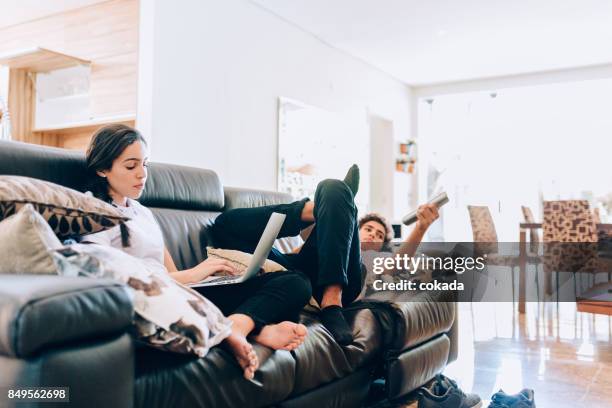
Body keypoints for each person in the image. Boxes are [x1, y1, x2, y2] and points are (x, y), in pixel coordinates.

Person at [82, 124, 312, 380]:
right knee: (281, 300)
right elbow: (113, 281)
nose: (142, 174)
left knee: (296, 282)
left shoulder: (142, 211)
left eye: (145, 164)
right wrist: (195, 273)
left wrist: (202, 278)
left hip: (181, 289)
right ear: (103, 169)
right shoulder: (91, 212)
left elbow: (170, 271)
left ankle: (241, 326)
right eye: (131, 166)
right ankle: (250, 328)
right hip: (154, 298)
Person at [213, 167, 440, 346]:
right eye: (369, 228)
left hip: (347, 278)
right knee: (224, 225)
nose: (373, 234)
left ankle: (333, 297)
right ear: (355, 226)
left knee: (339, 196)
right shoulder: (329, 234)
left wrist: (421, 227)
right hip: (298, 269)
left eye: (379, 235)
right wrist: (330, 215)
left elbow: (396, 264)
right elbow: (296, 258)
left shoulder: (374, 259)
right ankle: (322, 206)